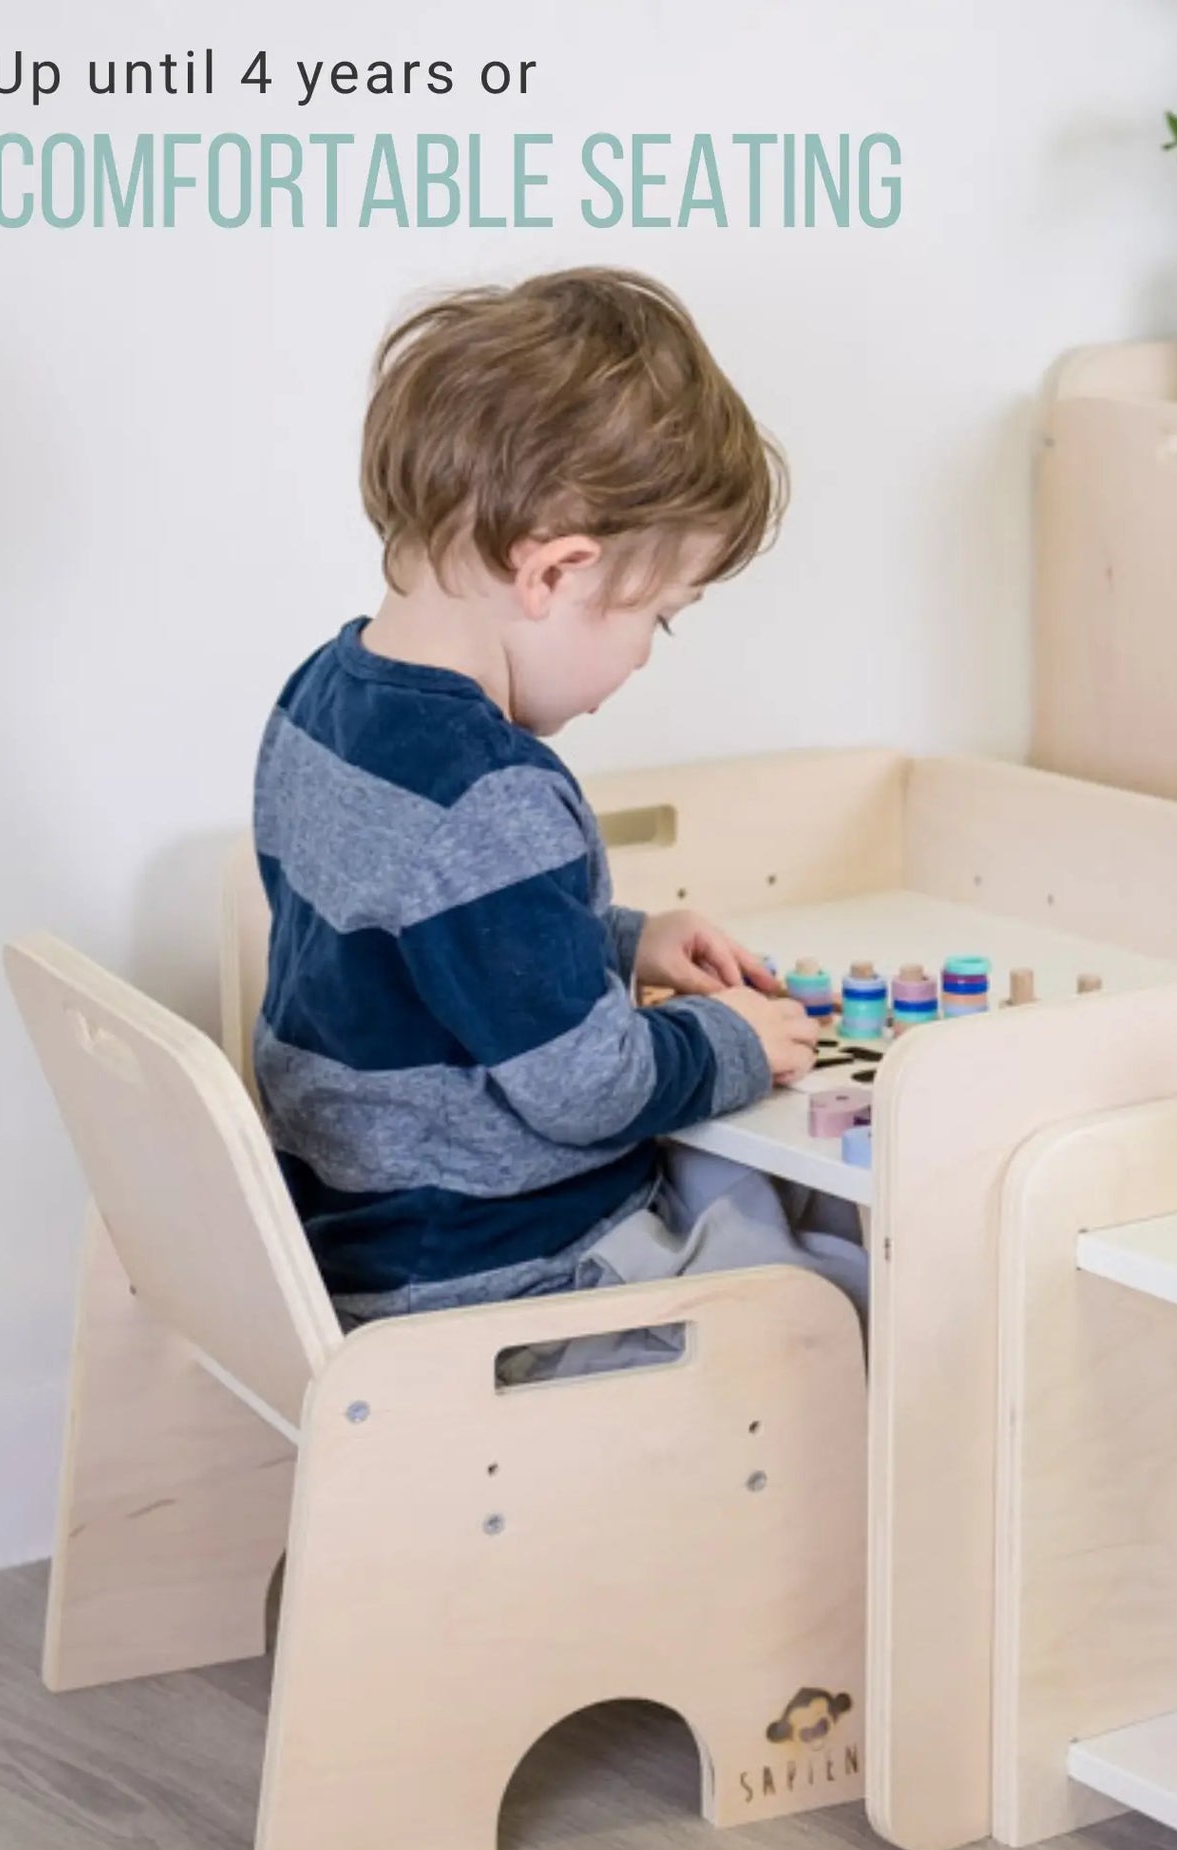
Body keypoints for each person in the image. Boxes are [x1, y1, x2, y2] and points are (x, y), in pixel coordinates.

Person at [252, 267, 866, 1374]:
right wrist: (732, 1040)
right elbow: (591, 1089)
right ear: (555, 571)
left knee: (757, 1198)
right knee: (853, 1301)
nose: (639, 660)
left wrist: (619, 939)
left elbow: (424, 945)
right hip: (508, 1277)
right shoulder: (493, 789)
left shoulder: (322, 698)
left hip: (374, 1238)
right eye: (658, 622)